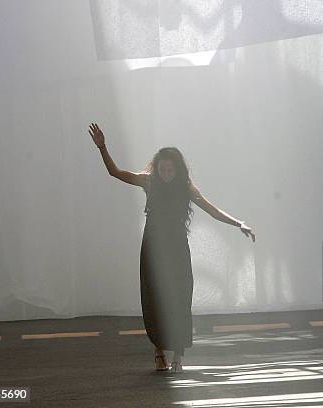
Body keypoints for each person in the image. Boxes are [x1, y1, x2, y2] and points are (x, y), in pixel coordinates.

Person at [88, 123, 256, 372]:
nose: (166, 172)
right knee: (155, 299)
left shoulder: (186, 187)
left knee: (179, 298)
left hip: (177, 249)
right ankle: (158, 352)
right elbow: (115, 172)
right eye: (162, 168)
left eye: (170, 169)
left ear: (178, 169)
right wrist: (102, 147)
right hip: (153, 250)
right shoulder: (148, 182)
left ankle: (178, 355)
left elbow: (212, 210)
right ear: (156, 168)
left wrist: (238, 223)